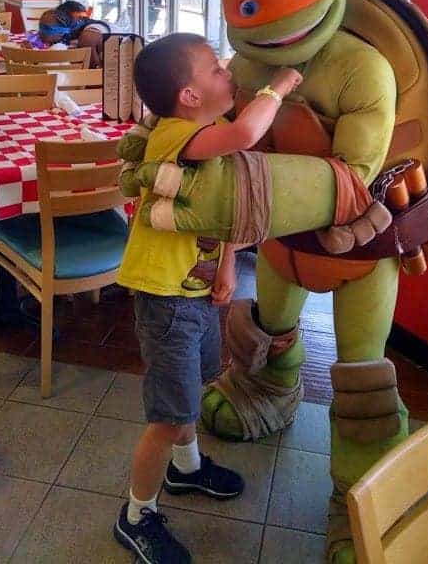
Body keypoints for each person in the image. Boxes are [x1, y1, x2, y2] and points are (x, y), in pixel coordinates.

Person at [114, 32, 303, 564]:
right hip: (165, 297)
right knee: (170, 413)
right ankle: (136, 515)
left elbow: (219, 214)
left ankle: (187, 467)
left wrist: (224, 268)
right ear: (190, 96)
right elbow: (248, 131)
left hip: (193, 293)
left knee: (193, 388)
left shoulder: (206, 132)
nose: (227, 73)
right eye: (217, 69)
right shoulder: (176, 134)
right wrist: (280, 87)